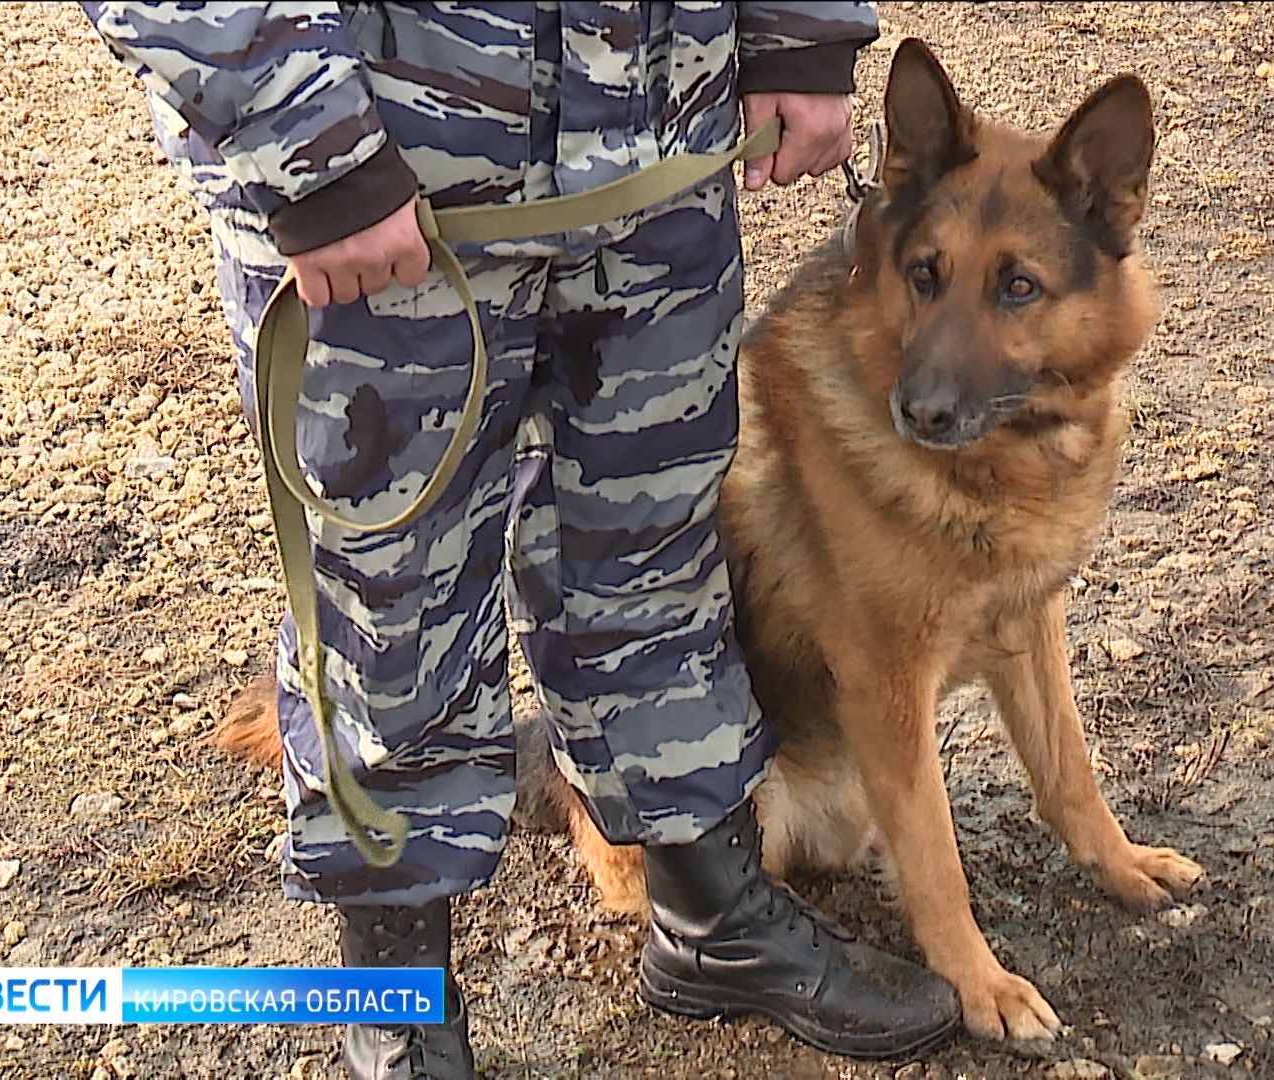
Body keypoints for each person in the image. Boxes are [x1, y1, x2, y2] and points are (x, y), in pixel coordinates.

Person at [81, 4, 961, 1077]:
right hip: (390, 158)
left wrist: (796, 31)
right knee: (389, 601)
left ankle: (709, 911)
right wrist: (310, 144)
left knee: (660, 535)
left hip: (651, 133)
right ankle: (397, 1000)